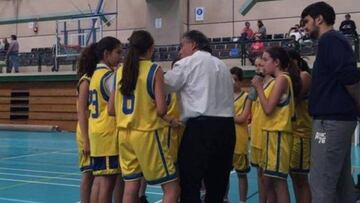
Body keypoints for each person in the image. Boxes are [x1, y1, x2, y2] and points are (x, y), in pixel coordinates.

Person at [108, 30, 180, 203]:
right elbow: (162, 109)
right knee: (172, 187)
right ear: (150, 48)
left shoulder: (120, 71)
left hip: (124, 135)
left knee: (131, 186)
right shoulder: (154, 69)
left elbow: (111, 109)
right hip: (147, 134)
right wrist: (170, 120)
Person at [164, 30, 235, 202]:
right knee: (217, 185)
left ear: (193, 44)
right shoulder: (222, 65)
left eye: (182, 46)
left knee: (190, 183)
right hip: (226, 128)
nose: (179, 52)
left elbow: (164, 85)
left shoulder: (187, 63)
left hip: (201, 128)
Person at [301, 2, 360, 203]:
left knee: (320, 182)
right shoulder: (334, 42)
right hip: (336, 120)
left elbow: (350, 77)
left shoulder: (331, 40)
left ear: (319, 19)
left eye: (306, 22)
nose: (304, 27)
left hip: (330, 122)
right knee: (342, 184)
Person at [251, 47, 299, 203]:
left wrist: (258, 87)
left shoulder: (282, 79)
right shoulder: (280, 79)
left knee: (279, 182)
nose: (263, 64)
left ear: (277, 62)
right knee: (269, 181)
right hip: (270, 135)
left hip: (278, 135)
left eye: (266, 60)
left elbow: (268, 109)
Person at [87, 36, 123, 203]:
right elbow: (114, 106)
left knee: (99, 180)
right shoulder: (109, 77)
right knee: (108, 183)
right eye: (118, 52)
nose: (121, 56)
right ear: (106, 53)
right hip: (107, 133)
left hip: (96, 131)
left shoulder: (94, 74)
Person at [75, 41, 101, 203]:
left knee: (97, 173)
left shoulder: (98, 78)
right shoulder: (86, 80)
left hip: (96, 129)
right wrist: (86, 140)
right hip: (86, 130)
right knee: (87, 174)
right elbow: (81, 111)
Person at [248, 57, 276, 203]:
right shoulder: (255, 87)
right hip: (256, 136)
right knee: (260, 175)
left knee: (269, 178)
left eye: (261, 64)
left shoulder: (273, 84)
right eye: (256, 65)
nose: (258, 68)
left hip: (268, 135)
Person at [288, 50, 312, 203]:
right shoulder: (288, 79)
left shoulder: (304, 76)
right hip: (290, 132)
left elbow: (293, 102)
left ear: (296, 61)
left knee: (301, 179)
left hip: (302, 132)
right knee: (294, 177)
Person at [228, 66, 251, 203]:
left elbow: (242, 118)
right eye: (230, 80)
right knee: (223, 173)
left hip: (240, 140)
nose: (232, 83)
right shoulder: (223, 96)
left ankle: (242, 201)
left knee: (241, 174)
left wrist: (225, 115)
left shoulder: (246, 97)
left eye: (235, 80)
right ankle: (224, 198)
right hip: (225, 139)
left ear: (241, 81)